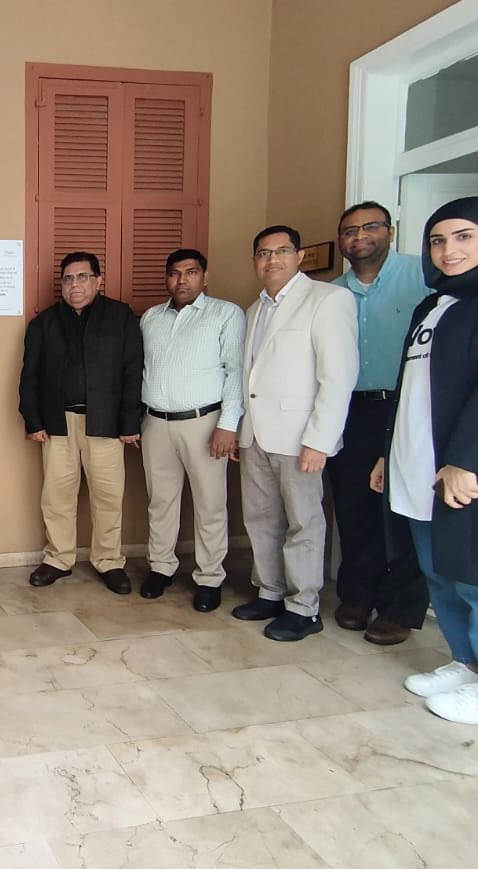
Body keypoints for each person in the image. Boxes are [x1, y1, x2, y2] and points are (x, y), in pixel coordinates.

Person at [371, 196, 478, 726]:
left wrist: (465, 459)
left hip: (477, 467)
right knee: (442, 571)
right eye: (438, 240)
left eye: (464, 236)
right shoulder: (434, 304)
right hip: (418, 462)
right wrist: (388, 453)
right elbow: (411, 387)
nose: (449, 250)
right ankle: (468, 663)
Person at [233, 225, 359, 641]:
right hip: (256, 435)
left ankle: (304, 607)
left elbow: (338, 377)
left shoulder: (327, 300)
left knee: (303, 522)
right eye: (263, 253)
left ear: (299, 256)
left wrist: (319, 440)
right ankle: (270, 591)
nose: (272, 259)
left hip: (299, 438)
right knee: (261, 519)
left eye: (281, 251)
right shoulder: (255, 310)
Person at [329, 202, 432, 645]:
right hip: (350, 409)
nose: (359, 237)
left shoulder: (422, 276)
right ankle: (357, 595)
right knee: (354, 505)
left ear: (390, 231)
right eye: (350, 230)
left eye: (370, 227)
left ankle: (400, 607)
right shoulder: (333, 293)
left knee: (402, 507)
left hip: (407, 405)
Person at [20, 251, 143, 593]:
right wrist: (33, 420)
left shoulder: (120, 318)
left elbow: (133, 372)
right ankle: (58, 558)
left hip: (106, 424)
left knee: (108, 496)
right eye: (68, 278)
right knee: (56, 495)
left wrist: (129, 422)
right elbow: (30, 376)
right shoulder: (44, 324)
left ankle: (109, 561)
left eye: (83, 277)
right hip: (58, 424)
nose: (75, 284)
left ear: (98, 280)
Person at [138, 249, 244, 612]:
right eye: (174, 273)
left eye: (191, 272)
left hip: (205, 423)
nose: (182, 280)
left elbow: (236, 371)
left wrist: (228, 425)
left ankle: (209, 577)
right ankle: (161, 567)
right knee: (160, 501)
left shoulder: (226, 314)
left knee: (210, 503)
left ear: (205, 276)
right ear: (166, 278)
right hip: (156, 423)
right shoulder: (151, 317)